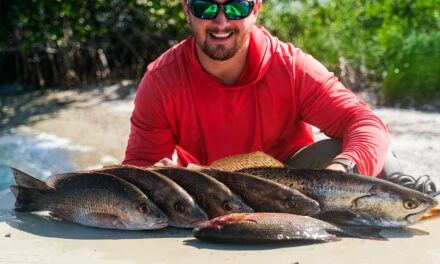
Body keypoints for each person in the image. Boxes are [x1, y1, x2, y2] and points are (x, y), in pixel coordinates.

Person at [123, 0, 436, 194]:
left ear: (256, 9)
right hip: (214, 193)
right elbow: (138, 167)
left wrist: (339, 175)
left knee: (375, 158)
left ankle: (414, 207)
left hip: (292, 183)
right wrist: (152, 173)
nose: (220, 21)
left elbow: (365, 123)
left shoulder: (292, 68)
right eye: (206, 7)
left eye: (235, 7)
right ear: (187, 11)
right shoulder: (161, 80)